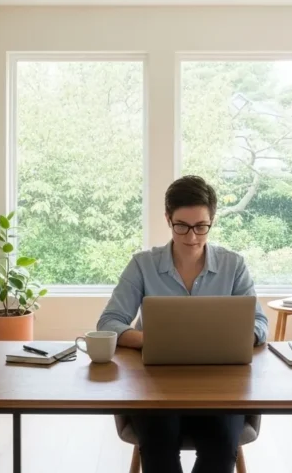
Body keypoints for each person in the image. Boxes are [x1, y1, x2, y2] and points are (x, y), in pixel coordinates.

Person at [97, 175, 268, 473]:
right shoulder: (142, 264)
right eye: (182, 226)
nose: (192, 237)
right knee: (158, 445)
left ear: (212, 220)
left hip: (221, 388)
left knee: (221, 445)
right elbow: (109, 323)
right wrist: (150, 340)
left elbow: (260, 323)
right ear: (167, 218)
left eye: (201, 227)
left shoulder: (233, 265)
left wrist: (236, 337)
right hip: (155, 387)